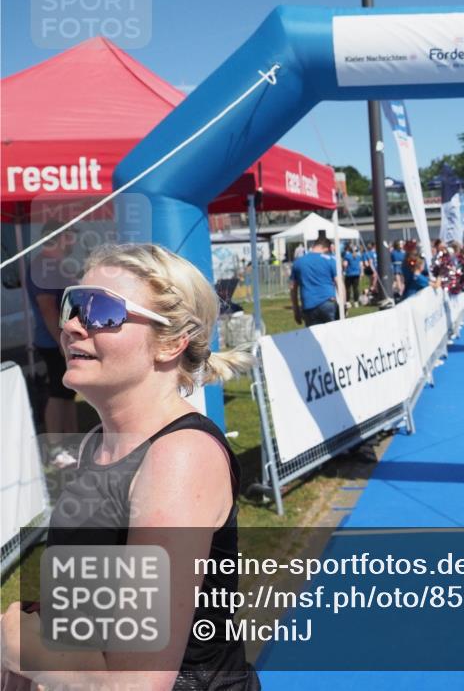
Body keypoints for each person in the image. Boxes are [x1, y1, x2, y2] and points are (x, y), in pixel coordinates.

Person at [1, 243, 258, 690]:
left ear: (171, 343)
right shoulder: (97, 444)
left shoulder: (179, 458)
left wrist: (26, 649)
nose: (72, 327)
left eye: (101, 312)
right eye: (72, 306)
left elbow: (136, 685)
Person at [26, 220, 79, 463]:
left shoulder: (55, 265)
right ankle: (57, 450)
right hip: (52, 340)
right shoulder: (44, 266)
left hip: (61, 338)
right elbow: (48, 309)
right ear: (60, 237)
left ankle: (70, 443)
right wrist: (61, 341)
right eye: (71, 234)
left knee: (67, 391)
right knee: (58, 392)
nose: (75, 240)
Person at [290, 237, 342, 326]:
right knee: (333, 335)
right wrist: (342, 305)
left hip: (309, 304)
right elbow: (339, 284)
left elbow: (293, 288)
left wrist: (296, 310)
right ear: (327, 248)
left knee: (314, 337)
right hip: (328, 302)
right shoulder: (331, 260)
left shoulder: (298, 262)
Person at [342, 244, 363, 308]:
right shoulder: (359, 256)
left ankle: (348, 302)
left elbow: (345, 265)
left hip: (349, 274)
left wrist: (343, 270)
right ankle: (356, 302)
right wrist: (361, 272)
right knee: (355, 288)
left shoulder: (347, 256)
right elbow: (361, 265)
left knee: (348, 289)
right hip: (356, 274)